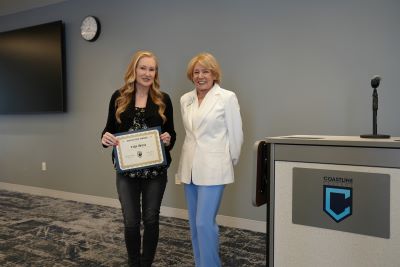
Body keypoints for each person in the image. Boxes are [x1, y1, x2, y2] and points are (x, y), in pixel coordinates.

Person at [101, 50, 176, 267]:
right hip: (126, 172)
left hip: (155, 173)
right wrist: (105, 138)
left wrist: (168, 138)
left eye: (152, 69)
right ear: (134, 70)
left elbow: (172, 133)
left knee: (151, 219)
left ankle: (146, 263)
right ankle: (134, 263)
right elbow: (108, 130)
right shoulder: (119, 97)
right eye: (143, 68)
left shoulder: (163, 99)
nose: (147, 73)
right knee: (131, 221)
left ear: (156, 73)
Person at [175, 52, 243, 267]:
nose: (200, 76)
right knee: (195, 225)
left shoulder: (227, 97)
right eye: (196, 72)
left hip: (214, 168)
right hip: (189, 168)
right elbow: (190, 134)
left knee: (205, 223)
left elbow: (236, 134)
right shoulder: (185, 99)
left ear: (214, 74)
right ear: (191, 75)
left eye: (205, 71)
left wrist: (226, 162)